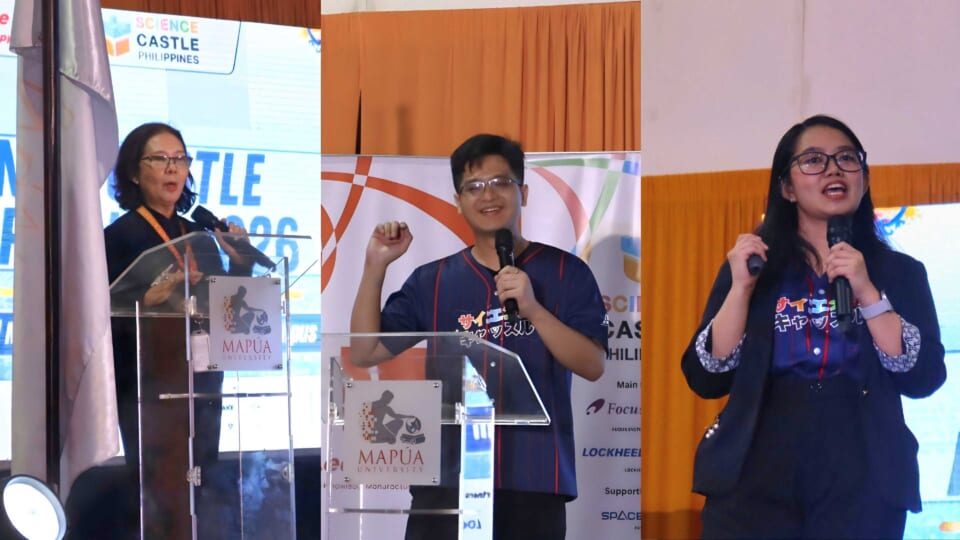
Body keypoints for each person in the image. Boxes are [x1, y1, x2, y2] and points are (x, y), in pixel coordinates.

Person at [681, 115, 946, 539]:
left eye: (846, 158)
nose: (833, 169)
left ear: (864, 178)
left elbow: (923, 376)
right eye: (813, 160)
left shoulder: (900, 272)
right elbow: (707, 376)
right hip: (757, 463)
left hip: (863, 468)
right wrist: (741, 288)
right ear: (787, 188)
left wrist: (868, 292)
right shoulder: (753, 268)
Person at [350, 134, 609, 539]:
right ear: (458, 201)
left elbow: (593, 365)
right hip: (447, 481)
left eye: (500, 182)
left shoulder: (566, 272)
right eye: (473, 187)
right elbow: (365, 352)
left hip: (533, 482)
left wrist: (534, 309)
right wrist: (374, 267)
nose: (487, 195)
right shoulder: (432, 281)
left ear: (523, 192)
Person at [104, 122, 253, 537]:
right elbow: (104, 315)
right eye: (159, 159)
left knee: (201, 483)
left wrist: (239, 260)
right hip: (148, 386)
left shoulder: (198, 235)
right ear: (134, 173)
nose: (173, 168)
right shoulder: (118, 237)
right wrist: (154, 295)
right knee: (159, 492)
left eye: (180, 159)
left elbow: (227, 305)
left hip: (203, 380)